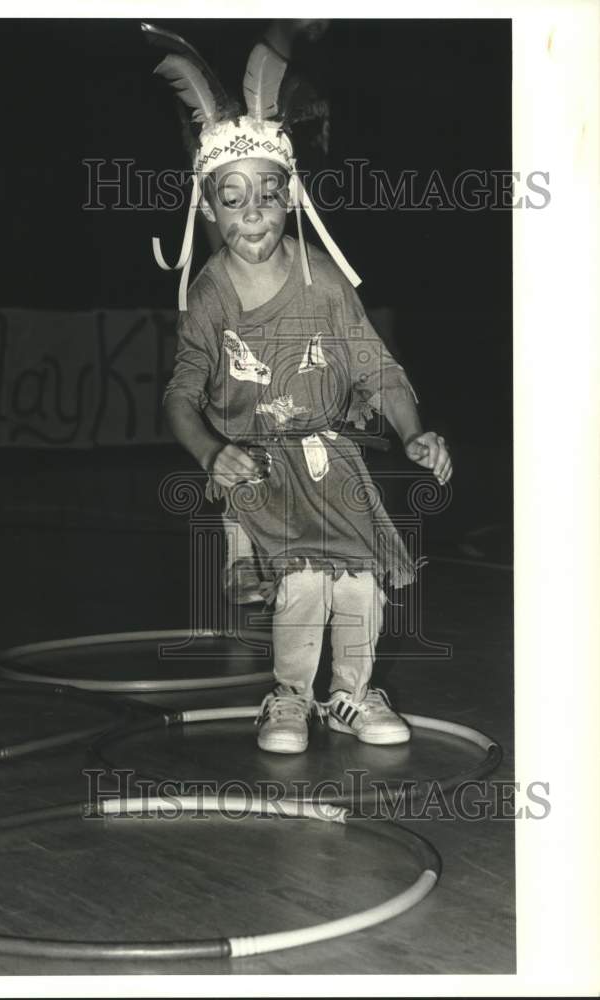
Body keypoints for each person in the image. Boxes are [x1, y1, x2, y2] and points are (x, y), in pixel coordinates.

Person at [145, 26, 453, 754]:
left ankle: (348, 693)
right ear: (208, 211)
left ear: (289, 198)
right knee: (307, 582)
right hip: (257, 462)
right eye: (231, 196)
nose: (250, 210)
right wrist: (207, 454)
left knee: (357, 583)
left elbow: (376, 368)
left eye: (265, 193)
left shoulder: (323, 280)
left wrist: (412, 429)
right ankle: (287, 698)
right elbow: (179, 396)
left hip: (330, 458)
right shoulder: (212, 296)